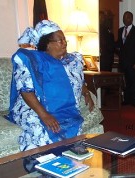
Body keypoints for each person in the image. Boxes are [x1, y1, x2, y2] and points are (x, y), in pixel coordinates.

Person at [7, 20, 94, 151]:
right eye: (60, 40)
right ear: (47, 44)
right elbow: (26, 91)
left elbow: (78, 80)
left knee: (73, 131)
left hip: (66, 110)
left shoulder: (72, 60)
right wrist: (45, 115)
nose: (64, 43)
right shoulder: (31, 61)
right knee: (43, 134)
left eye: (65, 39)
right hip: (35, 108)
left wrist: (86, 93)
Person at [117, 11, 135, 107]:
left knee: (133, 82)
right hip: (123, 62)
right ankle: (126, 99)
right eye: (124, 17)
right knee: (125, 82)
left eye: (127, 17)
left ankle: (134, 100)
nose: (125, 19)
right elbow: (119, 45)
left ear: (131, 19)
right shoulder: (120, 30)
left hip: (133, 63)